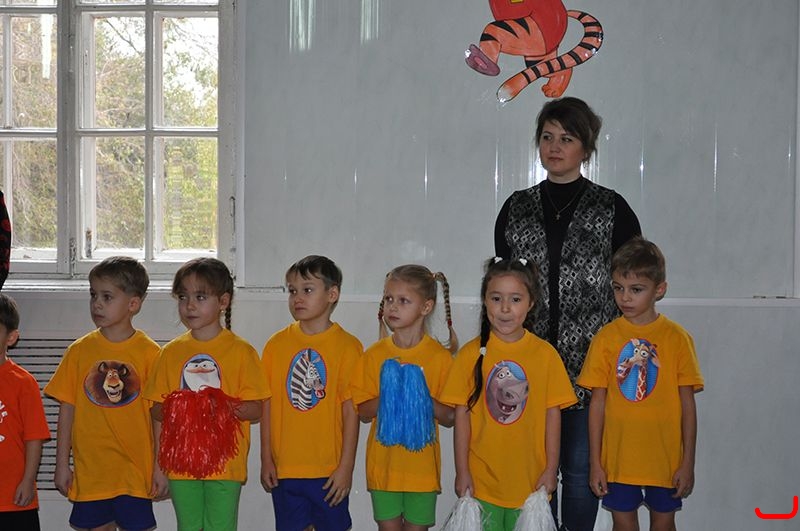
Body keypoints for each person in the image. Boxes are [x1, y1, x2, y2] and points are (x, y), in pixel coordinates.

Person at [494, 96, 641, 530]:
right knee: (534, 477)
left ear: (586, 148)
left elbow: (634, 284)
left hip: (588, 371)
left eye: (567, 138)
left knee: (579, 477)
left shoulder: (611, 208)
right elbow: (505, 286)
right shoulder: (516, 207)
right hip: (527, 369)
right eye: (547, 137)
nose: (554, 147)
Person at [439, 258, 576, 531]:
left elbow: (553, 418)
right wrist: (462, 471)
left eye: (515, 299)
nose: (504, 308)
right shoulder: (469, 355)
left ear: (531, 303)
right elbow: (462, 418)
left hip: (529, 486)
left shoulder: (546, 355)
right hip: (482, 485)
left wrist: (551, 469)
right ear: (485, 302)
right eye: (496, 298)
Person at [577, 238, 704, 531]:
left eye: (636, 289)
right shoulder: (605, 338)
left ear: (659, 289)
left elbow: (688, 406)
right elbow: (597, 404)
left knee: (664, 524)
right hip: (619, 459)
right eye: (618, 288)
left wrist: (688, 462)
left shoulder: (677, 338)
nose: (625, 298)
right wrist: (596, 462)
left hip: (665, 458)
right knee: (623, 524)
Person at [143, 258, 270, 531]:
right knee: (188, 527)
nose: (190, 305)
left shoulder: (242, 352)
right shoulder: (169, 353)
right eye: (183, 297)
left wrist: (222, 406)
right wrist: (181, 408)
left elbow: (257, 409)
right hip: (181, 464)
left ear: (223, 301)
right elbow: (155, 411)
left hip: (225, 464)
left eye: (200, 297)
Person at [44, 256, 161, 531]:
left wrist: (160, 467)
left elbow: (160, 417)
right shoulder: (79, 351)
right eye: (93, 294)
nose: (97, 303)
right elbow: (67, 410)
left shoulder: (152, 354)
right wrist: (62, 465)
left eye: (107, 297)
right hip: (92, 470)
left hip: (135, 470)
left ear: (133, 304)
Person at [260, 255, 363, 531]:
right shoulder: (276, 345)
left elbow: (351, 411)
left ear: (332, 294)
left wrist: (346, 467)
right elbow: (267, 405)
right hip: (286, 469)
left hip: (328, 471)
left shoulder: (348, 347)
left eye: (307, 290)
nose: (297, 298)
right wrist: (266, 458)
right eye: (292, 291)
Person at [350, 265, 457, 531]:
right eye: (388, 299)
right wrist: (390, 393)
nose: (393, 307)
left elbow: (450, 416)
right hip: (383, 471)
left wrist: (419, 395)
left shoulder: (440, 358)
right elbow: (362, 411)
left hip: (422, 473)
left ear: (426, 307)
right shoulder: (374, 355)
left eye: (403, 300)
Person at [0, 294, 50, 531]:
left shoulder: (23, 382)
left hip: (13, 496)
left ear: (11, 338)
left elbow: (34, 438)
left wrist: (28, 481)